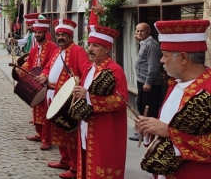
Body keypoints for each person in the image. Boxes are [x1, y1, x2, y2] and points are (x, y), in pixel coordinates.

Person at [136, 19, 211, 177]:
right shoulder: (174, 85)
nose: (161, 60)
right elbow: (164, 126)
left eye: (165, 55)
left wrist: (169, 132)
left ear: (183, 58)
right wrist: (149, 127)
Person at [36, 19, 90, 179]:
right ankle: (65, 160)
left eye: (64, 35)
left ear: (71, 36)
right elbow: (47, 66)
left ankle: (74, 168)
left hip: (68, 99)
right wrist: (44, 76)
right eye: (58, 34)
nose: (60, 37)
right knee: (59, 130)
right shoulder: (57, 51)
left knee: (69, 132)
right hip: (53, 96)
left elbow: (86, 70)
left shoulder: (77, 51)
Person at [72, 25, 128, 179]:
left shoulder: (115, 70)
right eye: (89, 45)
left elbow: (121, 100)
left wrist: (89, 98)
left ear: (107, 49)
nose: (90, 49)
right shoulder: (90, 69)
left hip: (105, 129)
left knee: (101, 166)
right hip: (86, 126)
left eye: (95, 46)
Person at [19, 18, 57, 151]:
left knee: (46, 112)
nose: (37, 35)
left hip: (46, 83)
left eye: (40, 32)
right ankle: (39, 134)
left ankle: (47, 139)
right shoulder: (35, 49)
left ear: (45, 33)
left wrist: (45, 76)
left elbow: (52, 65)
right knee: (36, 109)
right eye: (36, 32)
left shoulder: (53, 47)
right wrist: (21, 70)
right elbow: (29, 63)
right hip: (35, 82)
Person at [129, 22, 163, 141]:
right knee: (141, 105)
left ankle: (148, 134)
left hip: (150, 83)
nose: (139, 33)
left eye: (142, 31)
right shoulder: (143, 43)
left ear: (149, 32)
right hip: (141, 81)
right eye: (137, 31)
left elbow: (153, 66)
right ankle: (142, 132)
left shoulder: (151, 45)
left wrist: (148, 82)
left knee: (148, 108)